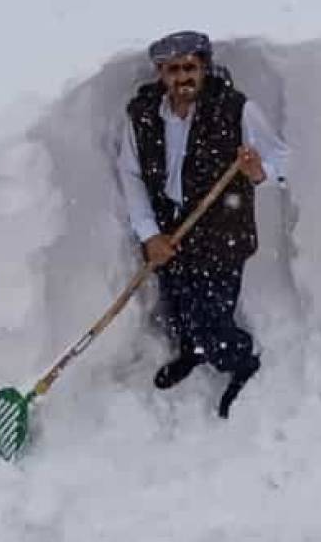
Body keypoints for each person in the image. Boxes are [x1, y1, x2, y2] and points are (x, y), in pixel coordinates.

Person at [116, 31, 289, 419]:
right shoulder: (141, 115)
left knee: (212, 315)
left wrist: (259, 170)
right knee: (178, 307)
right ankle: (192, 353)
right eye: (174, 69)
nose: (183, 77)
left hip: (221, 233)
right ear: (161, 73)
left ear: (204, 67)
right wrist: (150, 235)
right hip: (170, 233)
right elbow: (130, 175)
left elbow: (281, 159)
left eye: (190, 68)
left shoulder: (234, 109)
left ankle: (239, 361)